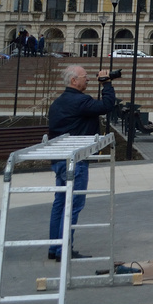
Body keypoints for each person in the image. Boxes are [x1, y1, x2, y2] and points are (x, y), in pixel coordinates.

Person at [46, 65, 115, 261]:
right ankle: (63, 250)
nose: (88, 80)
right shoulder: (80, 101)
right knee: (73, 205)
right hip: (75, 162)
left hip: (59, 160)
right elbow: (107, 106)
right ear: (74, 81)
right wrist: (107, 84)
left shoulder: (58, 102)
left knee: (60, 204)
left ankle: (55, 247)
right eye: (85, 77)